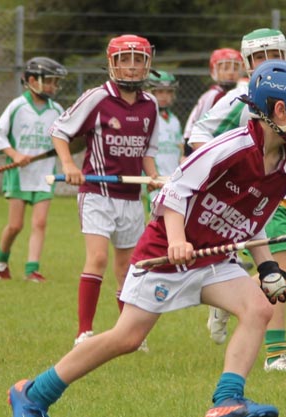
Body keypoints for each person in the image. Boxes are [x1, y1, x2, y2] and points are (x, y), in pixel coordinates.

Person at [7, 60, 286, 417]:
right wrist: (178, 240)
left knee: (259, 307)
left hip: (213, 258)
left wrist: (267, 270)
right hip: (165, 254)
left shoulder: (284, 169)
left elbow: (253, 222)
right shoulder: (232, 147)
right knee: (126, 338)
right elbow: (174, 191)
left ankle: (228, 401)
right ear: (280, 111)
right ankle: (32, 394)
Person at [190, 28, 286, 373]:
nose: (269, 63)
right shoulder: (241, 97)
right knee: (279, 278)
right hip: (262, 199)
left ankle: (226, 298)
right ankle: (276, 357)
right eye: (260, 57)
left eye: (275, 54)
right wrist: (226, 173)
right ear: (248, 63)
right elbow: (198, 135)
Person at [50, 35, 160, 348]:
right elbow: (60, 131)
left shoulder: (150, 105)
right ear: (112, 63)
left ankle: (130, 335)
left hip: (130, 197)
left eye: (138, 60)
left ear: (147, 64)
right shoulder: (97, 98)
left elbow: (147, 151)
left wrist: (152, 177)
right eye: (124, 60)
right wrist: (69, 164)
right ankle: (84, 332)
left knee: (128, 268)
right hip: (96, 192)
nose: (131, 67)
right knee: (97, 258)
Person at [0, 57, 67, 282]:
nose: (53, 86)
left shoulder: (57, 110)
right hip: (19, 175)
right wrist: (15, 155)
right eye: (49, 81)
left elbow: (63, 140)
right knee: (15, 225)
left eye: (55, 82)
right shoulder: (17, 106)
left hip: (45, 174)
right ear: (32, 80)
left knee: (40, 223)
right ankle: (1, 261)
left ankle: (32, 269)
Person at [182, 48, 243, 157]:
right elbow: (193, 126)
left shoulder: (240, 94)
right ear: (214, 70)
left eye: (235, 68)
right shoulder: (212, 95)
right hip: (208, 150)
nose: (231, 72)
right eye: (225, 68)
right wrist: (187, 154)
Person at [144, 70, 183, 209]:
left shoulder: (174, 120)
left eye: (168, 92)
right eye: (159, 92)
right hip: (155, 180)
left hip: (173, 180)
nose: (164, 96)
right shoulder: (146, 118)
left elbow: (180, 148)